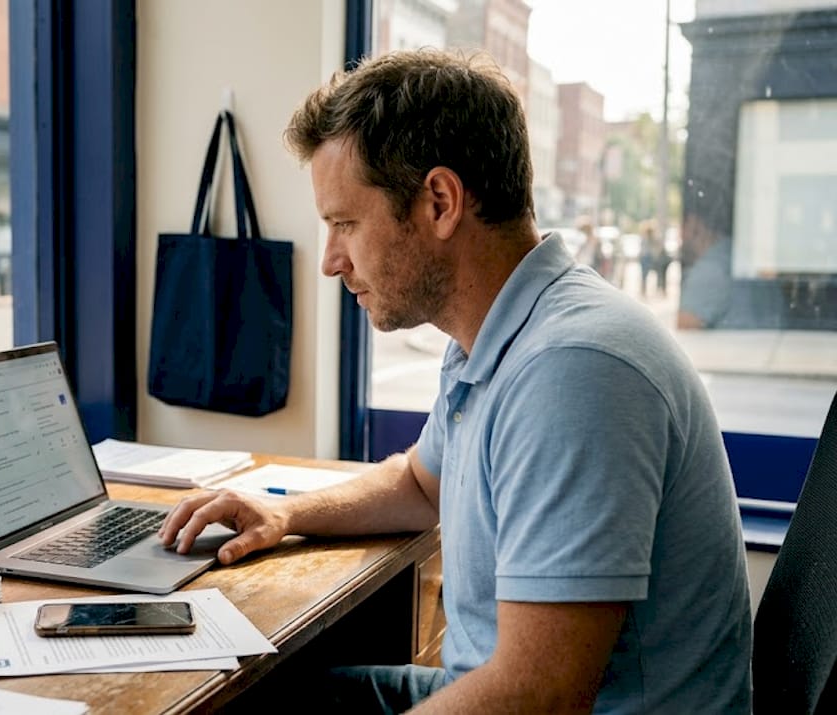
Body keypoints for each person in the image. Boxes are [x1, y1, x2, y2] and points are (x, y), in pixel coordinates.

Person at [159, 49, 750, 713]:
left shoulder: (572, 371)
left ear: (439, 201)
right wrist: (287, 512)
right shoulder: (496, 334)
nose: (330, 261)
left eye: (344, 223)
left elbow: (540, 695)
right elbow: (420, 482)